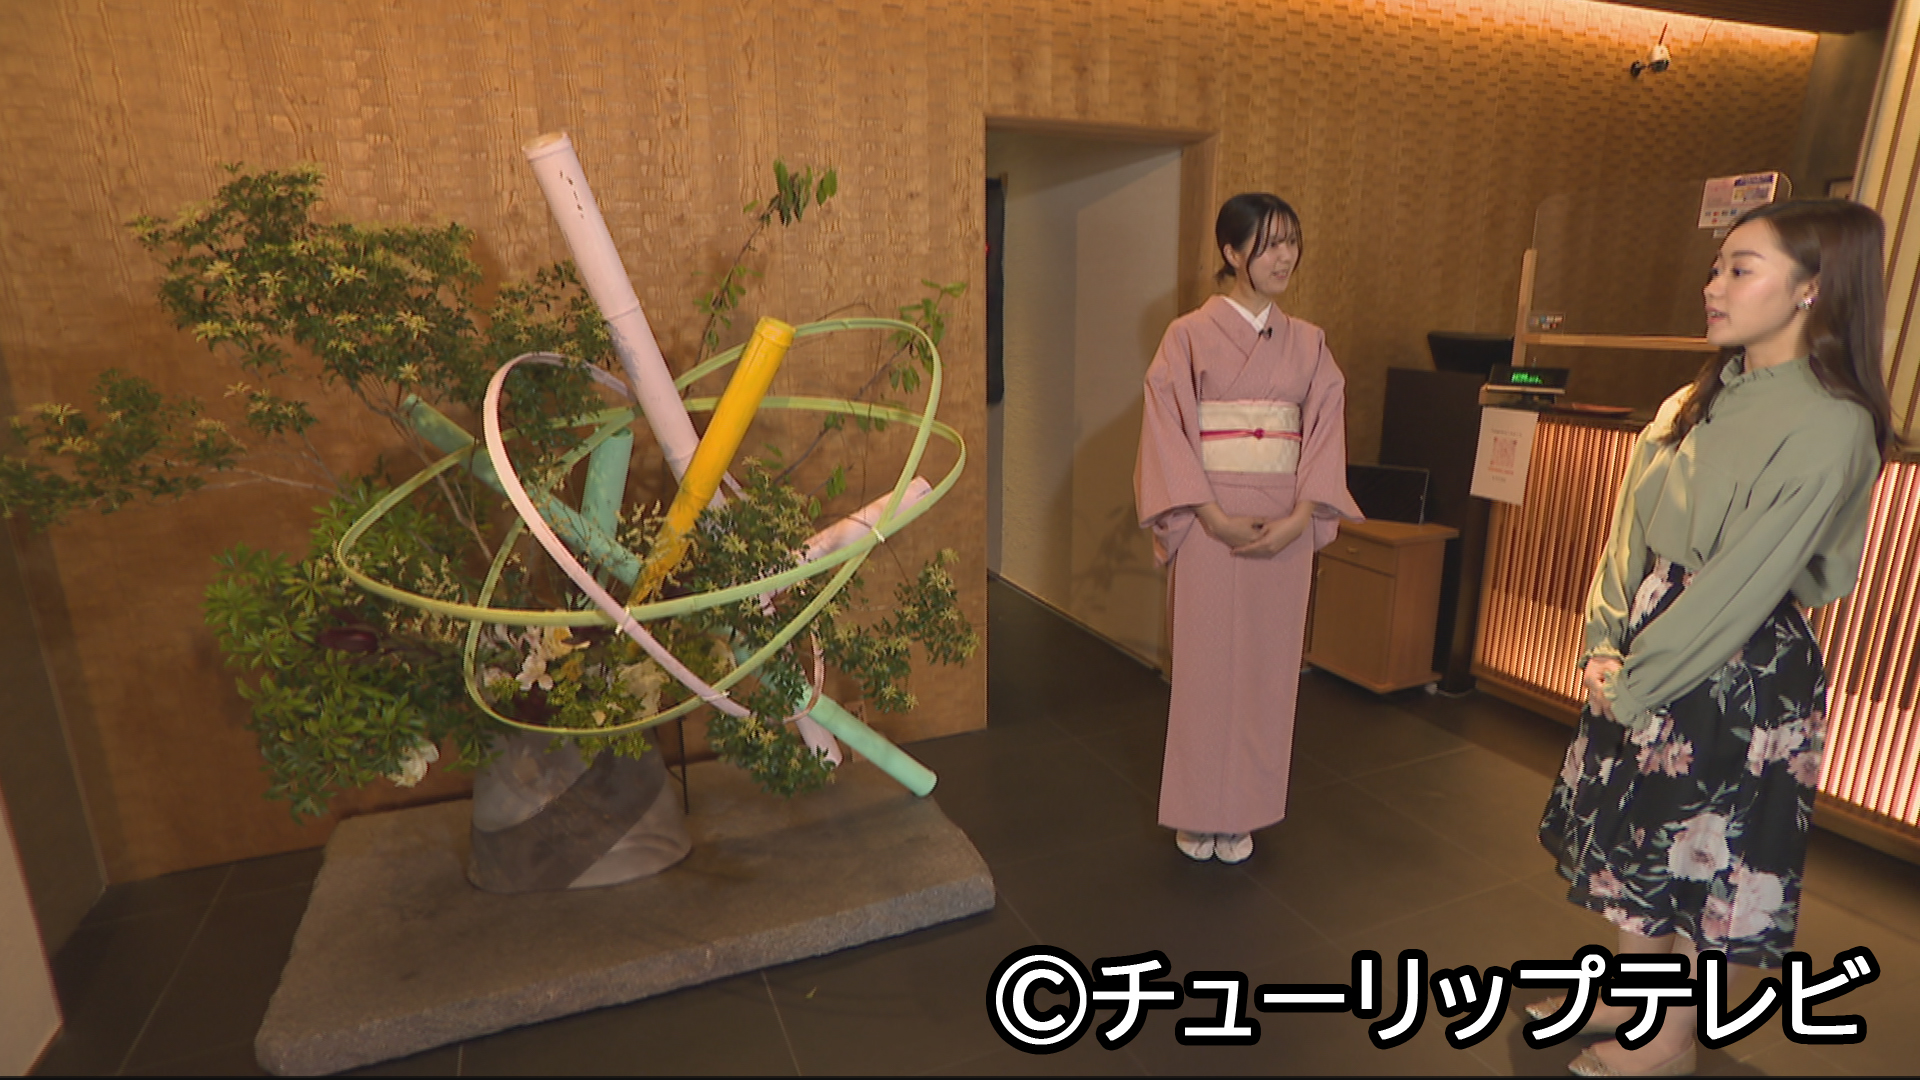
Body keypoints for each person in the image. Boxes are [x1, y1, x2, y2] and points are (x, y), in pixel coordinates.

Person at [1536, 198, 1895, 1077]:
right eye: (1716, 267)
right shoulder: (1698, 394)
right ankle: (1626, 997)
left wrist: (1632, 681)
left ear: (1812, 288)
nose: (1714, 286)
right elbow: (1629, 532)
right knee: (1636, 842)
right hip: (1648, 645)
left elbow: (1742, 587)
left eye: (1740, 268)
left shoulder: (1833, 422)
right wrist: (1601, 641)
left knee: (1700, 861)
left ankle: (1670, 1040)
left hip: (1735, 667)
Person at [1134, 193, 1361, 865]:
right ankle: (1199, 810)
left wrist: (1301, 517)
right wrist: (1210, 517)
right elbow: (1167, 430)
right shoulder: (1186, 336)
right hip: (1210, 522)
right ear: (1232, 253)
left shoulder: (1310, 344)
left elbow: (1325, 432)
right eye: (1269, 245)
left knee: (1268, 671)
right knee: (1204, 670)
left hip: (1284, 523)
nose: (1285, 257)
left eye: (1292, 243)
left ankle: (1243, 814)